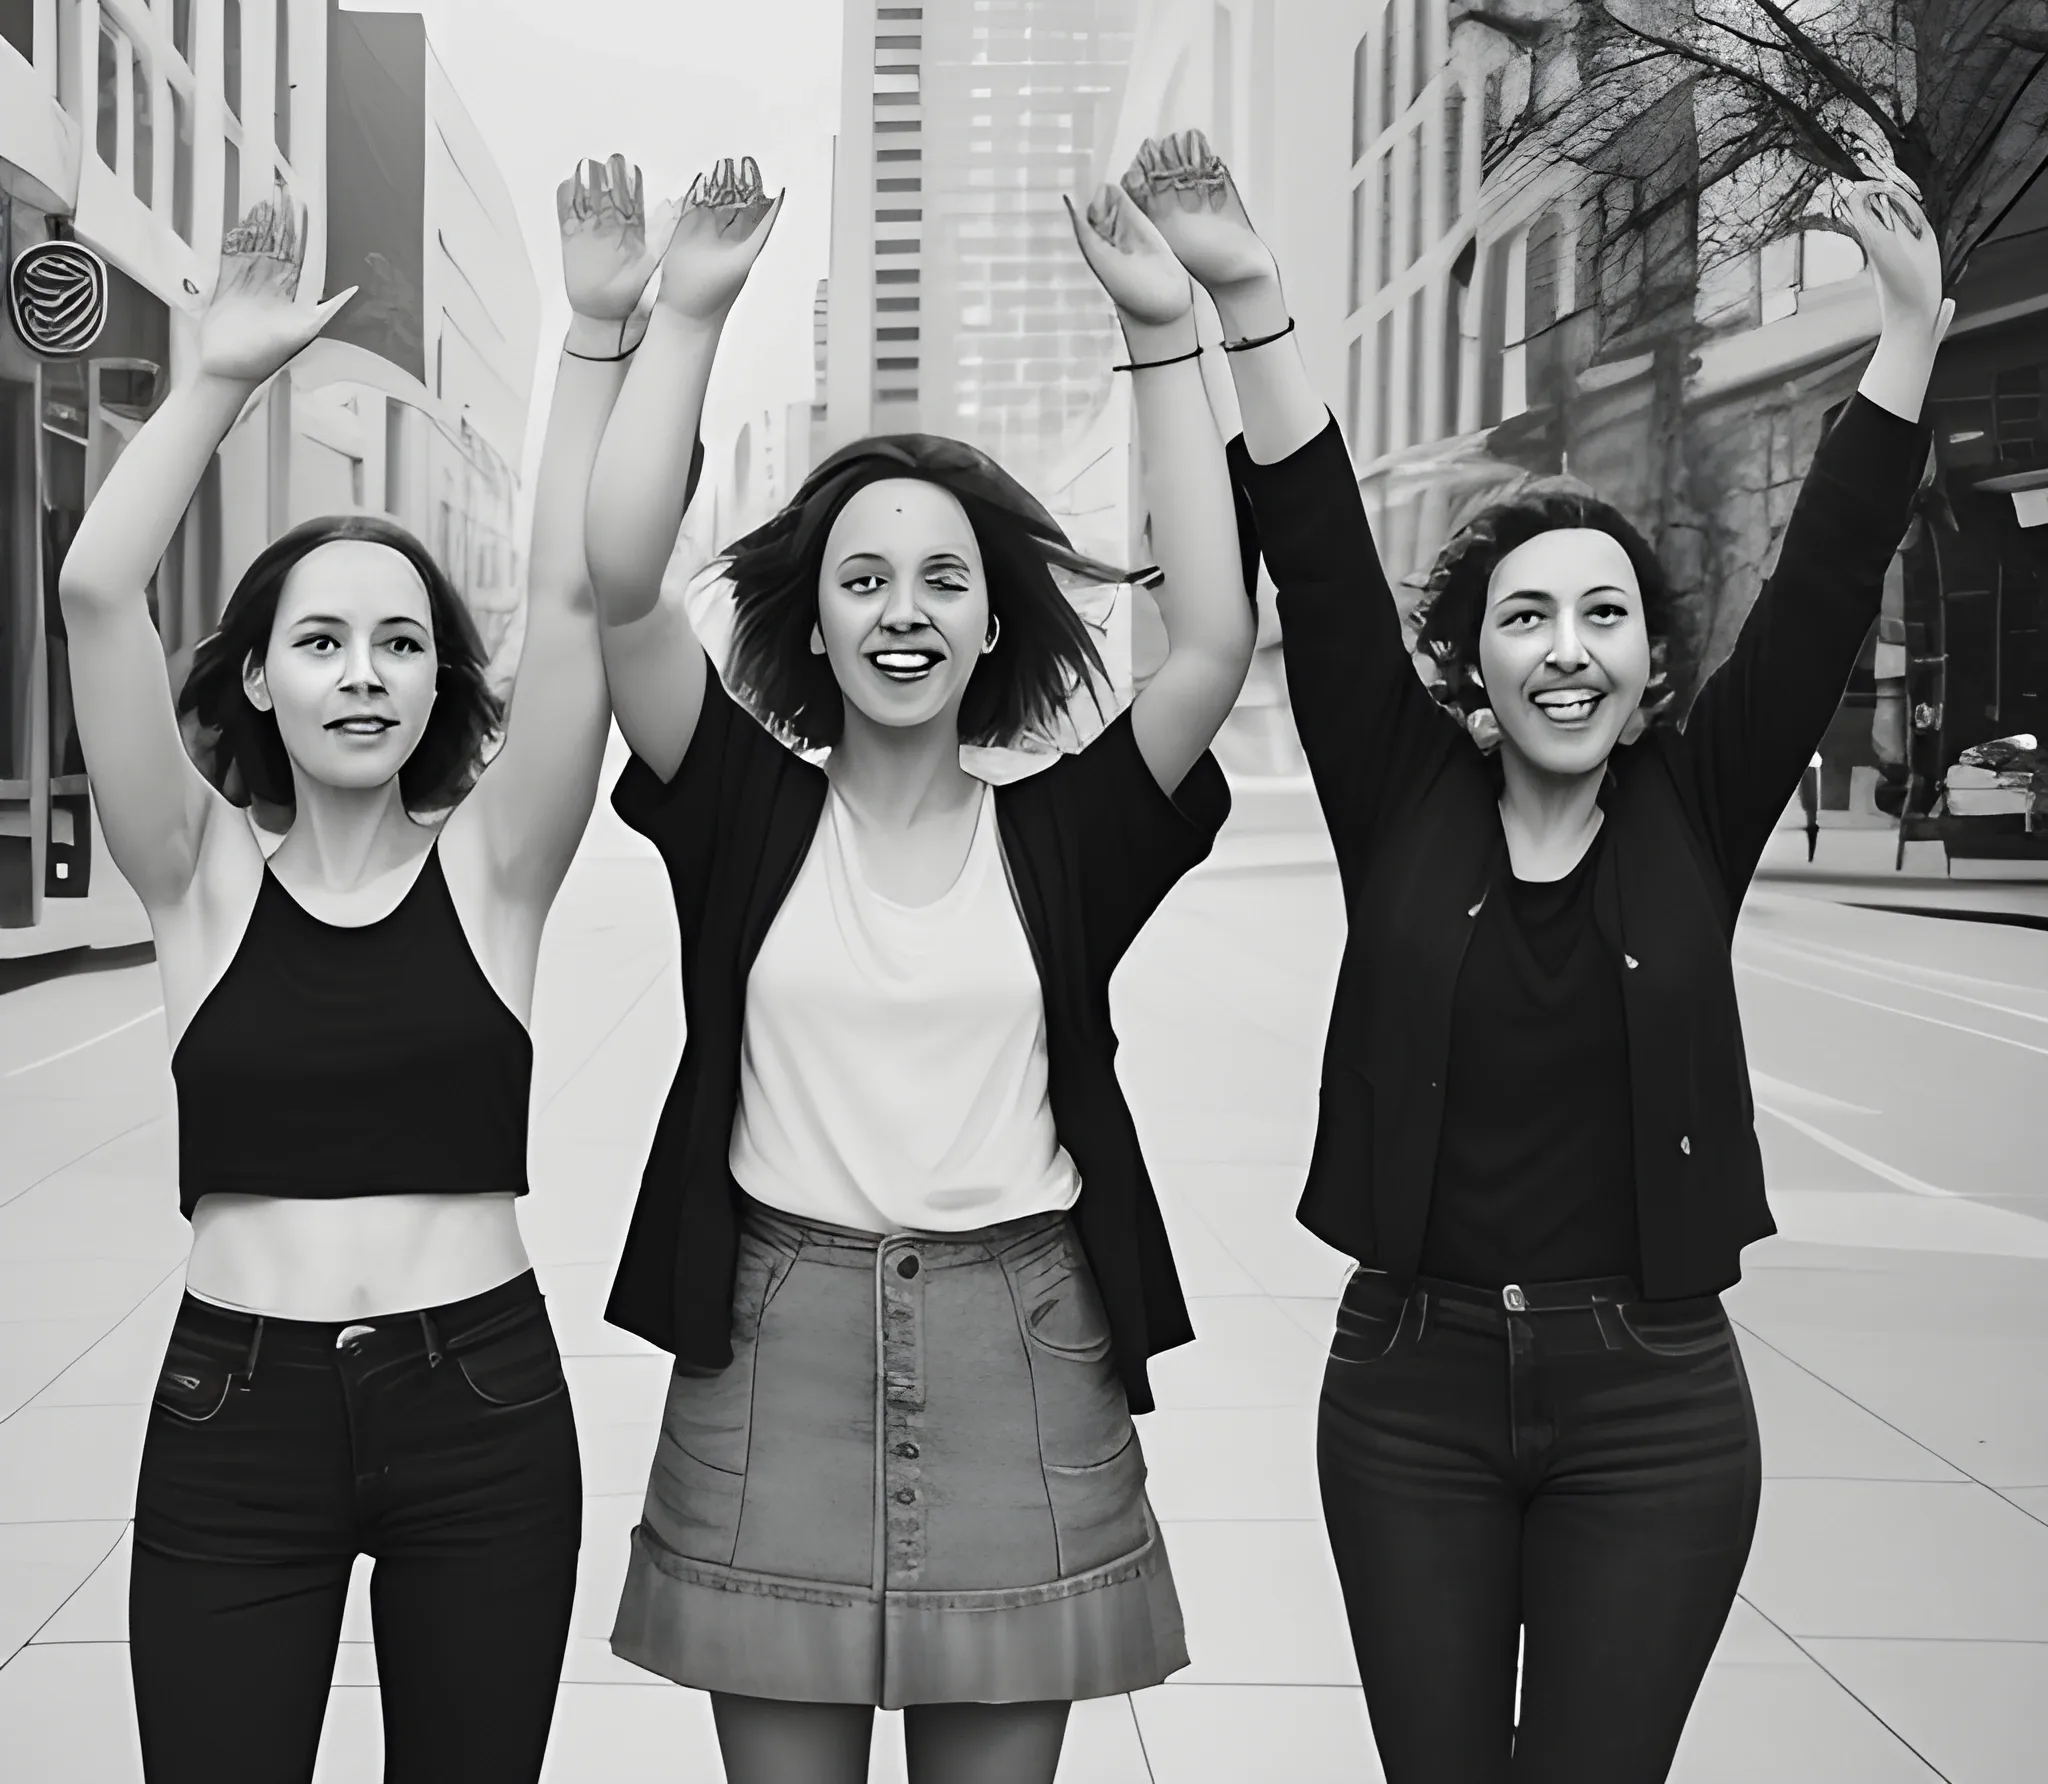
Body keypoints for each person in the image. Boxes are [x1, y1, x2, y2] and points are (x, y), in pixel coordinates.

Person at [1126, 129, 1950, 1783]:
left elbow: (1827, 574)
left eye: (1602, 617)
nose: (1564, 649)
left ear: (1651, 666)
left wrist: (1911, 338)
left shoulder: (1699, 811)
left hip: (1653, 1401)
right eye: (1524, 616)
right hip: (1408, 1393)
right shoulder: (1400, 794)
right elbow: (1322, 556)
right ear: (1476, 666)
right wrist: (1246, 297)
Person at [584, 160, 1257, 1784]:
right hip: (777, 1335)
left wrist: (1165, 332)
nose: (903, 611)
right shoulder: (742, 806)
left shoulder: (1072, 833)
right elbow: (617, 583)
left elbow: (1216, 640)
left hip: (1018, 1345)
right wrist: (684, 315)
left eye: (943, 580)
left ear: (987, 627)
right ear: (812, 625)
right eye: (865, 580)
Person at [58, 163, 673, 1782]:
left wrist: (593, 338)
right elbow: (96, 593)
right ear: (258, 676)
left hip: (480, 1404)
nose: (363, 675)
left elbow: (565, 597)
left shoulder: (496, 872)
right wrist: (212, 379)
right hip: (230, 1414)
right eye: (321, 641)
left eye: (402, 643)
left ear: (437, 686)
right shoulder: (193, 881)